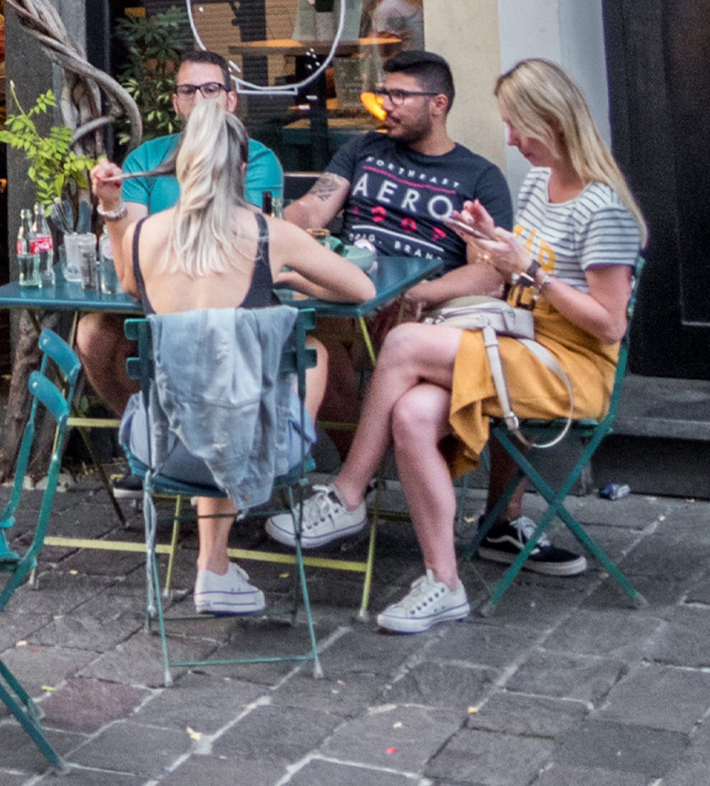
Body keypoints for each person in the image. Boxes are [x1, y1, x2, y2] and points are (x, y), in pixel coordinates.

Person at [267, 59, 644, 634]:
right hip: (518, 338)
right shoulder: (539, 184)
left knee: (404, 343)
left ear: (553, 121)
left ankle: (347, 493)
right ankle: (443, 582)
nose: (510, 139)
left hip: (566, 367)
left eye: (517, 125)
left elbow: (609, 327)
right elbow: (512, 268)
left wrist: (530, 272)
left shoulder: (605, 210)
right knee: (414, 413)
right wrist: (491, 241)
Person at [90, 98, 374, 614]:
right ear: (242, 169)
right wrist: (290, 276)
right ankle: (218, 561)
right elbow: (360, 288)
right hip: (256, 447)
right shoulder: (268, 234)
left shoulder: (143, 235)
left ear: (180, 169)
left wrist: (112, 210)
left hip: (161, 444)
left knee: (211, 392)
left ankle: (214, 566)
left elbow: (130, 284)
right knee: (306, 354)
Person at [281, 50, 515, 448]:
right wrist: (274, 224)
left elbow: (491, 272)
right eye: (384, 93)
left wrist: (420, 293)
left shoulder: (479, 177)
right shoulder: (363, 149)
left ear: (438, 104)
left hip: (423, 312)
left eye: (399, 95)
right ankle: (357, 464)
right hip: (348, 298)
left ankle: (371, 469)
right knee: (309, 344)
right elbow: (313, 208)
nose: (385, 105)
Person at [74, 54, 286, 418]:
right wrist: (111, 204)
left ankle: (167, 436)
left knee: (320, 354)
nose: (199, 99)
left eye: (211, 89)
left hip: (231, 310)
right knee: (93, 334)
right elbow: (130, 252)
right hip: (153, 303)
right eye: (188, 91)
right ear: (175, 103)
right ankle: (142, 434)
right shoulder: (146, 159)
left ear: (230, 100)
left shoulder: (252, 157)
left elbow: (242, 241)